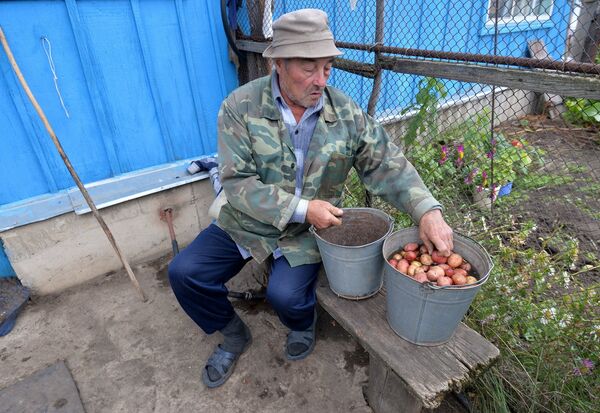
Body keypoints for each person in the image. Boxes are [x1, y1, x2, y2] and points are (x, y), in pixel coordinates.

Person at [168, 8, 454, 389]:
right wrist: (303, 208)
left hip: (308, 233)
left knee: (285, 297)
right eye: (308, 68)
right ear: (279, 63)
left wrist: (427, 210)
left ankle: (302, 325)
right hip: (248, 221)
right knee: (184, 273)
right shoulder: (239, 108)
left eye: (327, 68)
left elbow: (387, 163)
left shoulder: (346, 114)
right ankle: (232, 332)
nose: (320, 81)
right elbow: (238, 184)